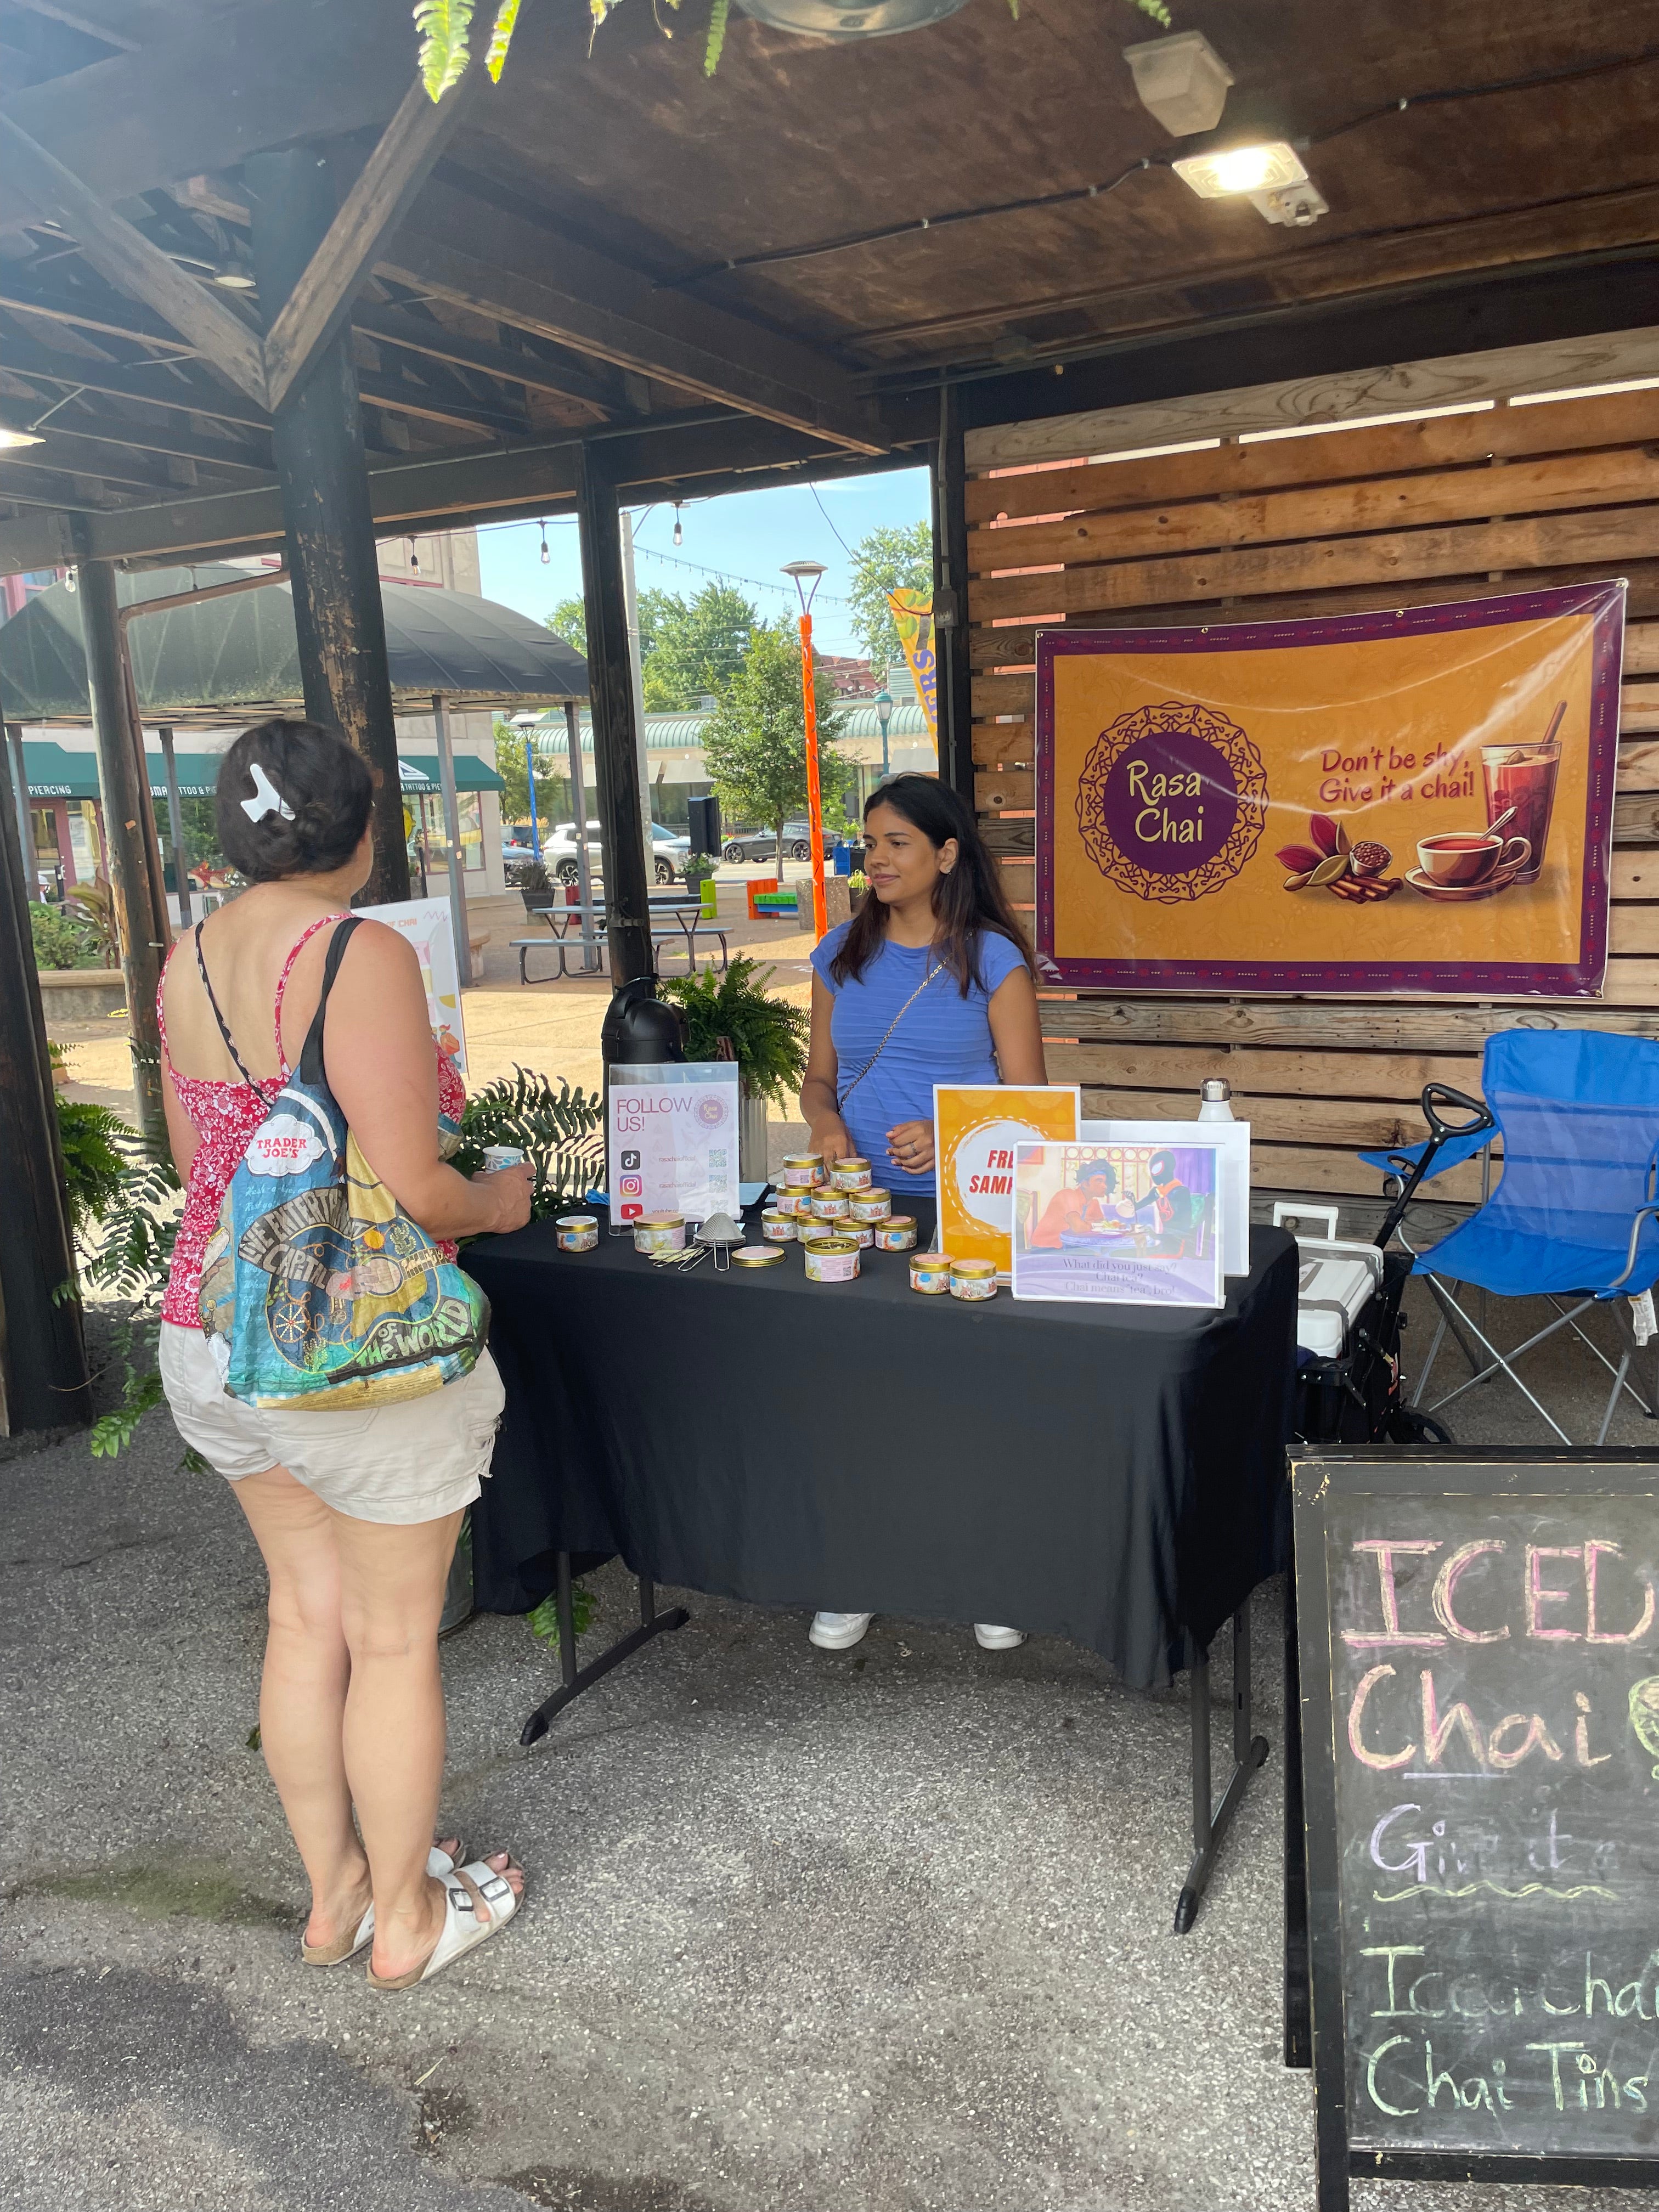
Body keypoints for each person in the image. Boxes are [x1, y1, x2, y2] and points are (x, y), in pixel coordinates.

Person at [156, 718, 531, 1989]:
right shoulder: (357, 953)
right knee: (389, 1637)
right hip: (344, 1348)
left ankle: (338, 1902)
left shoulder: (182, 960)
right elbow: (418, 1190)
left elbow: (200, 1162)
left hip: (211, 1330)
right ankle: (414, 1926)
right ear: (365, 833)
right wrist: (504, 1201)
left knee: (302, 1614)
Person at [799, 773, 1048, 1655]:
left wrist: (946, 1136)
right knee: (859, 1397)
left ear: (946, 855)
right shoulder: (840, 954)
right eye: (870, 844)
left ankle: (989, 1573)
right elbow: (819, 1078)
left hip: (967, 1211)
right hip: (860, 1214)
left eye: (897, 843)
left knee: (968, 1394)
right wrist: (827, 1123)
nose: (877, 860)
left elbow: (1032, 1109)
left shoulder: (994, 962)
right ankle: (859, 1569)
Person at [1029, 1158, 1118, 1249]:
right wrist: (1092, 1225)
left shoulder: (1094, 1202)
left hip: (1070, 1247)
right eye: (1099, 1181)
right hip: (1046, 1249)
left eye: (1105, 1182)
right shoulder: (1068, 1195)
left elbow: (1104, 1225)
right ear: (1085, 1184)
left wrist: (1091, 1225)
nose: (1104, 1186)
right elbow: (1078, 1228)